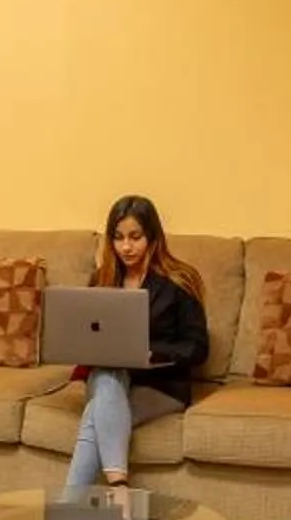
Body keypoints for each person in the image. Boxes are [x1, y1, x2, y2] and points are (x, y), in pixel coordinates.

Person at [65, 194, 208, 491]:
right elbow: (89, 335)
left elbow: (197, 347)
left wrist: (151, 353)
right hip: (110, 376)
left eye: (135, 237)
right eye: (118, 238)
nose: (126, 247)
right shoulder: (101, 280)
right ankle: (120, 489)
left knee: (96, 412)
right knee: (108, 376)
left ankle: (70, 512)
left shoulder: (180, 280)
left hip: (160, 384)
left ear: (153, 236)